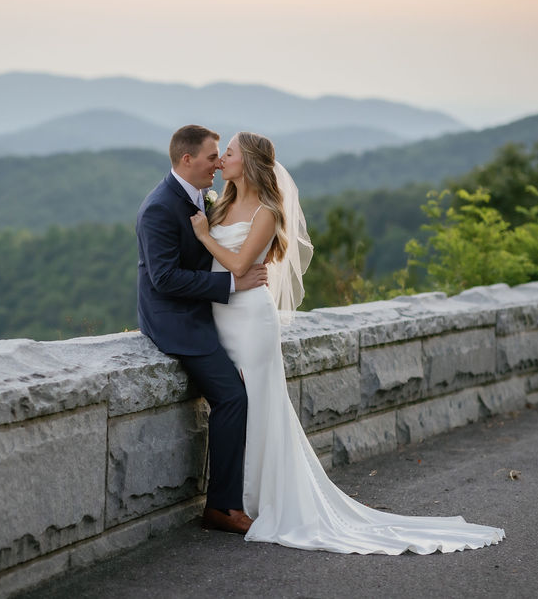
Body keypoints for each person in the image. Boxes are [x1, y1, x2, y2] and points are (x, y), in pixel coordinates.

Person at [189, 131, 506, 553]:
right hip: (221, 317)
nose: (220, 160)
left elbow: (241, 263)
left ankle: (255, 501)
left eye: (227, 153)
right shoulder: (221, 202)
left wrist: (206, 237)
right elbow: (224, 269)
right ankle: (237, 497)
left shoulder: (267, 210)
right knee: (240, 401)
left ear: (246, 161)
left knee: (260, 400)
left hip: (251, 319)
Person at [136, 124, 269, 535]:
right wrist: (232, 283)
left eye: (222, 155)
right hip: (177, 322)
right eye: (213, 156)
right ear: (187, 159)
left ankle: (234, 497)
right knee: (232, 397)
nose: (218, 163)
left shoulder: (204, 198)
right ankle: (222, 507)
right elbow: (165, 280)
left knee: (240, 394)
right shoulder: (159, 206)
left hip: (212, 315)